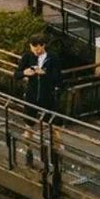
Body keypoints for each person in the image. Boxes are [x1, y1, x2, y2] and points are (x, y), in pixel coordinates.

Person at [14, 34, 63, 166]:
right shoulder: (27, 57)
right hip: (32, 95)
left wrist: (45, 73)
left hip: (48, 96)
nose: (35, 50)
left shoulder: (53, 58)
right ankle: (28, 151)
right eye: (33, 47)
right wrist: (24, 73)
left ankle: (57, 154)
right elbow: (16, 74)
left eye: (38, 47)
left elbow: (58, 78)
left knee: (54, 127)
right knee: (28, 126)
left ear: (43, 45)